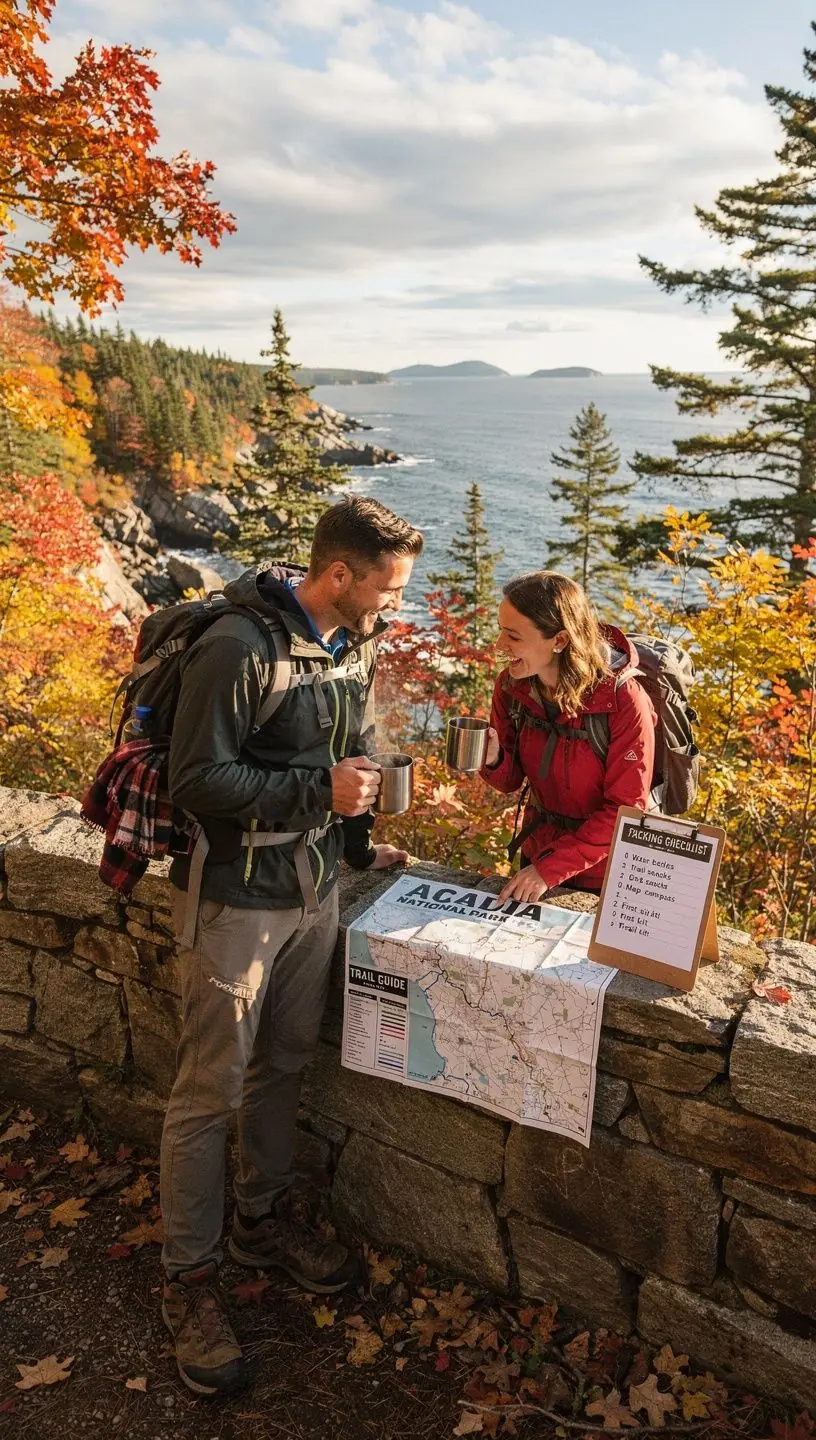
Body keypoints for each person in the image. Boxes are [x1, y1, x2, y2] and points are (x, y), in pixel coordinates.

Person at [159, 495, 423, 1397]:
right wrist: (322, 791)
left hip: (314, 893)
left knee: (284, 1065)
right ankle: (189, 1283)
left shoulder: (352, 646)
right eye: (387, 587)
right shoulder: (240, 646)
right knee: (208, 1093)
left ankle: (260, 1223)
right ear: (339, 575)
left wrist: (358, 842)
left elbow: (354, 752)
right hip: (235, 900)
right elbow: (196, 777)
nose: (396, 603)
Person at [481, 571, 655, 904]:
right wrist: (494, 758)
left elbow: (625, 811)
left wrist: (550, 869)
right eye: (501, 630)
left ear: (559, 641)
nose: (500, 645)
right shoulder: (512, 686)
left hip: (604, 876)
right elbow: (509, 781)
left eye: (513, 636)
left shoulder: (622, 700)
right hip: (537, 857)